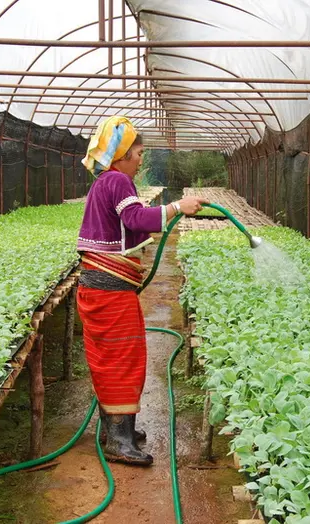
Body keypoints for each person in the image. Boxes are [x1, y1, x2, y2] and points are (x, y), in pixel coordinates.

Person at [77, 116, 208, 466]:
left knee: (113, 359)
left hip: (102, 290)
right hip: (109, 293)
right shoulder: (118, 180)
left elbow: (130, 223)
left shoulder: (108, 181)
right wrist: (176, 207)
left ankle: (117, 431)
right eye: (137, 153)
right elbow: (136, 219)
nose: (140, 160)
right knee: (123, 360)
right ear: (120, 156)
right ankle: (120, 441)